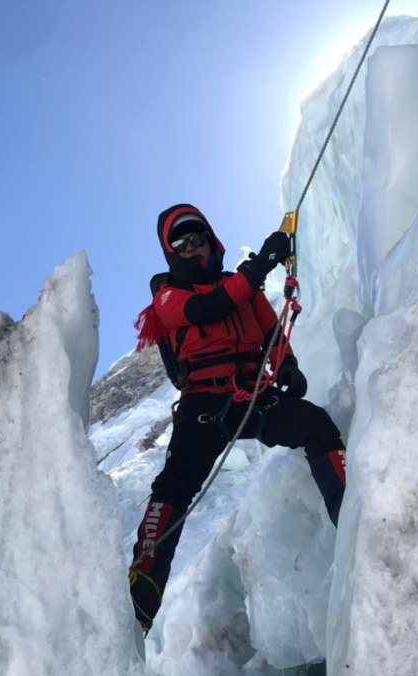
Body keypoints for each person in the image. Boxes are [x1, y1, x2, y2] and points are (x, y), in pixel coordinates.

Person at [128, 203, 346, 632]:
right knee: (175, 485)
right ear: (171, 254)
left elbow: (271, 332)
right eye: (181, 244)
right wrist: (263, 262)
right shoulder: (167, 296)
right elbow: (206, 309)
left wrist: (287, 365)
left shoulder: (238, 287)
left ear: (211, 240)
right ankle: (143, 586)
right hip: (202, 405)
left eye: (198, 240)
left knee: (316, 426)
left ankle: (350, 515)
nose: (192, 249)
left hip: (252, 398)